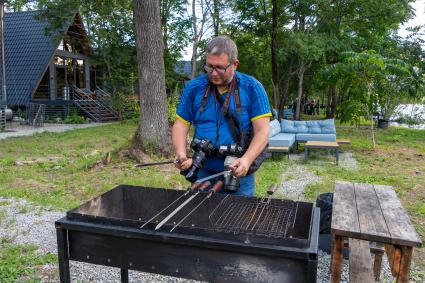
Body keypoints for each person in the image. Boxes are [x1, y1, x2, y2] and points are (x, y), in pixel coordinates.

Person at [172, 36, 271, 196]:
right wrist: (181, 153)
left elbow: (263, 131)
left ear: (235, 64)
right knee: (199, 218)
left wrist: (246, 160)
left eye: (219, 68)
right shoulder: (194, 88)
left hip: (238, 171)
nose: (213, 73)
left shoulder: (253, 88)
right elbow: (180, 125)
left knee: (237, 218)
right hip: (202, 171)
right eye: (209, 67)